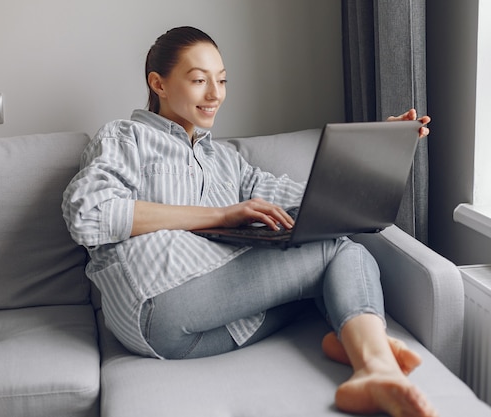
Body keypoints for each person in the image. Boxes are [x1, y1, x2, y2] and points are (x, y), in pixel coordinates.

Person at [62, 26, 435, 417]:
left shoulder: (225, 161)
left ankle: (357, 343)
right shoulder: (126, 138)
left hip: (183, 339)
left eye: (221, 81)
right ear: (159, 83)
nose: (215, 94)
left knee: (329, 271)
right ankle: (375, 364)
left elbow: (315, 200)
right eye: (199, 80)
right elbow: (88, 213)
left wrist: (376, 153)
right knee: (336, 251)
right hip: (156, 296)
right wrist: (220, 215)